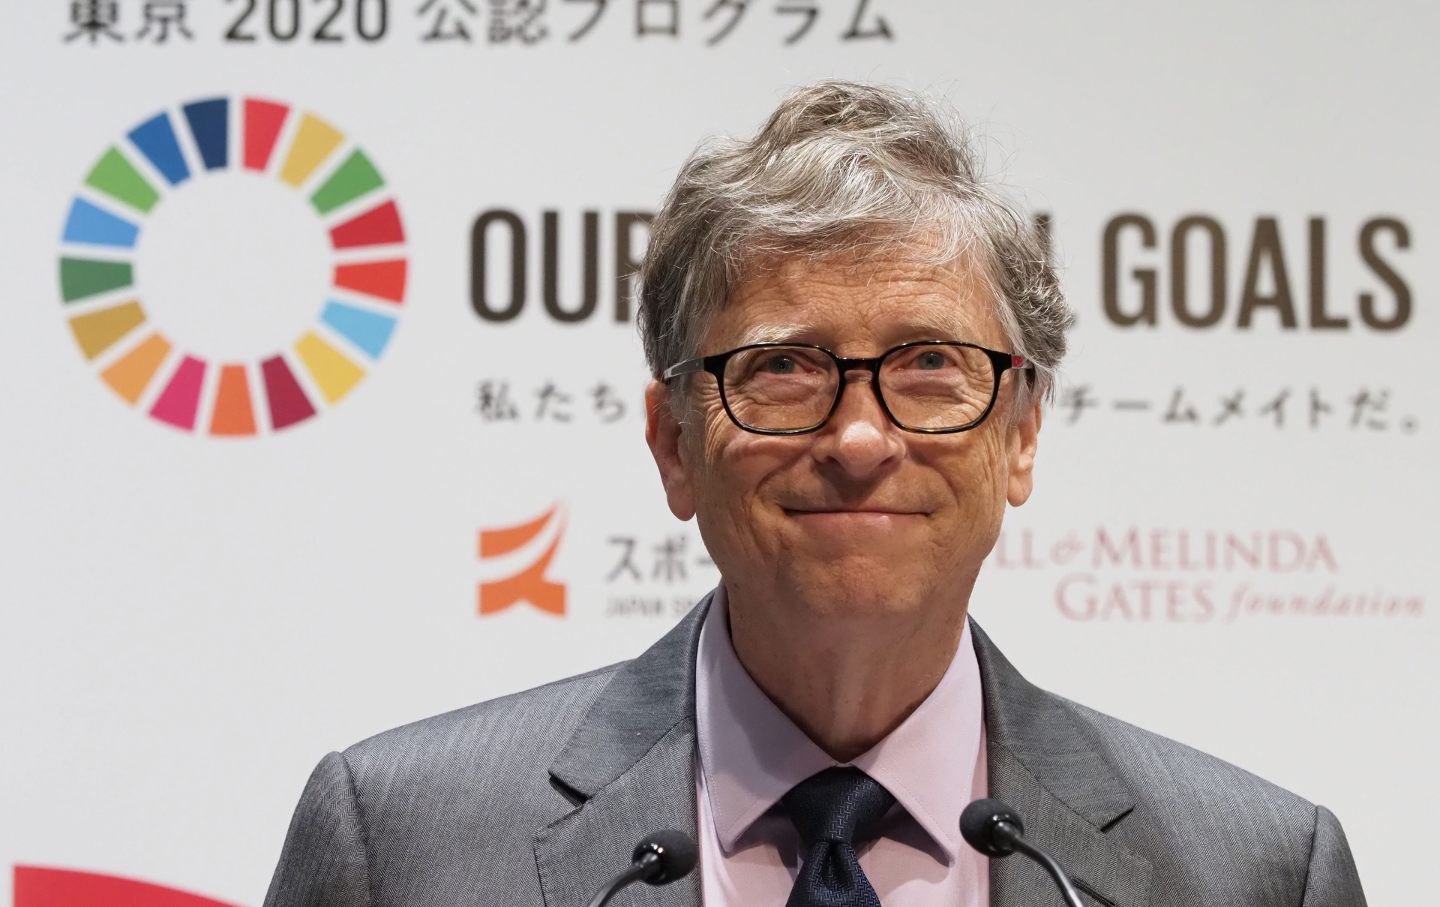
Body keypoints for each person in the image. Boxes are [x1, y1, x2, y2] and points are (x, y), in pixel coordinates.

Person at [264, 81, 1367, 906]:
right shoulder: (401, 845)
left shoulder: (1252, 869)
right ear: (673, 445)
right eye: (783, 367)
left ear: (1022, 432)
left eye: (932, 364)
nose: (858, 436)